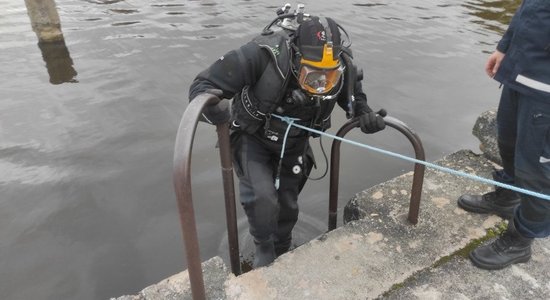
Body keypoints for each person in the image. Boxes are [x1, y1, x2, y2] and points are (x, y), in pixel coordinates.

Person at [189, 6, 386, 268]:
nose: (321, 87)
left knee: (288, 206)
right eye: (314, 76)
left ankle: (282, 245)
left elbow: (353, 98)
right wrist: (217, 110)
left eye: (330, 78)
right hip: (252, 138)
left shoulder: (341, 66)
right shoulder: (261, 55)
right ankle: (263, 248)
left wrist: (365, 115)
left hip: (295, 142)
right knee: (262, 197)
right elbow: (200, 87)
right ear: (296, 59)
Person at [457, 0, 550, 270]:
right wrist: (504, 47)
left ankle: (522, 237)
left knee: (537, 168)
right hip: (519, 74)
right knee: (507, 142)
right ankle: (508, 195)